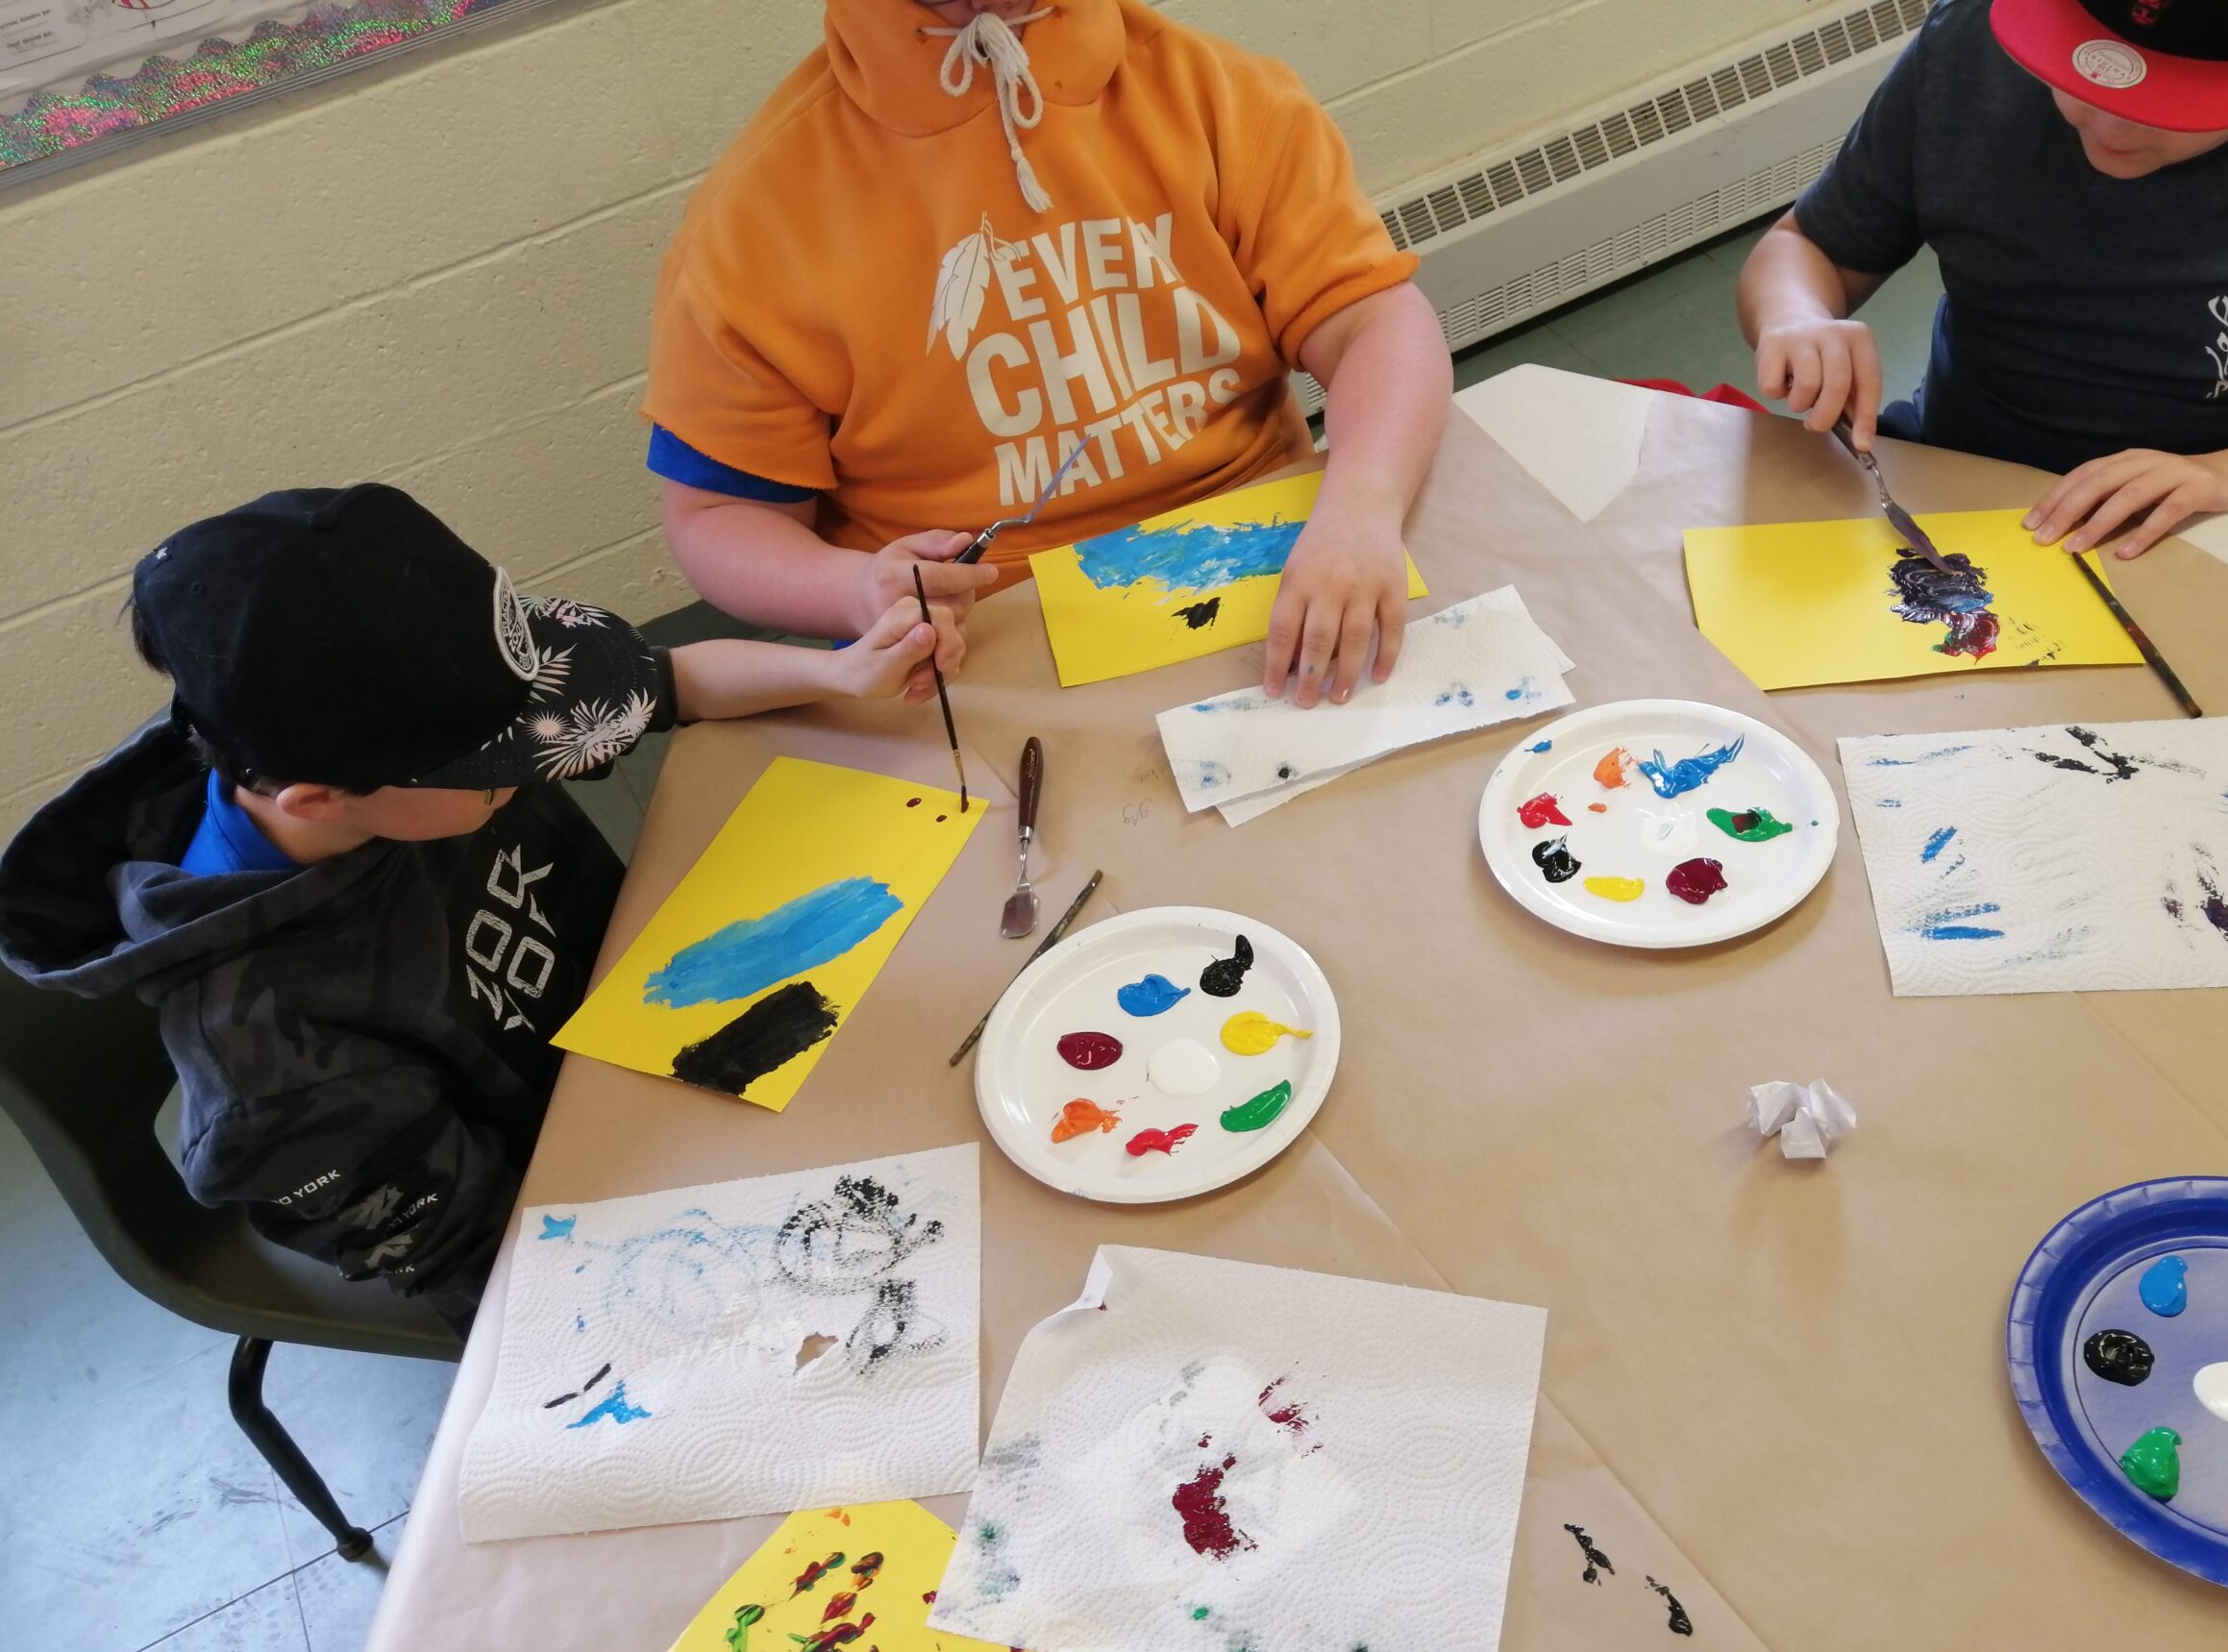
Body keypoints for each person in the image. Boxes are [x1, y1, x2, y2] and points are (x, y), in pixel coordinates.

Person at [0, 484, 940, 1331]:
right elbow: (523, 1278)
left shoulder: (393, 735)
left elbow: (664, 683)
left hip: (659, 1038)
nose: (548, 751)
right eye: (501, 763)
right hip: (605, 1209)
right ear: (316, 799)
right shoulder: (276, 1077)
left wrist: (842, 671)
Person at [643, 0, 1451, 707]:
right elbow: (721, 515)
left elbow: (1375, 323)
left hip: (1272, 557)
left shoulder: (1218, 98)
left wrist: (1362, 508)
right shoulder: (755, 223)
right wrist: (853, 589)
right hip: (986, 635)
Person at [1737, 0, 2228, 558]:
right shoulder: (1970, 42)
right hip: (1960, 480)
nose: (2106, 125)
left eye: (2178, 100)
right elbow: (1810, 245)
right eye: (2074, 69)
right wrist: (1795, 316)